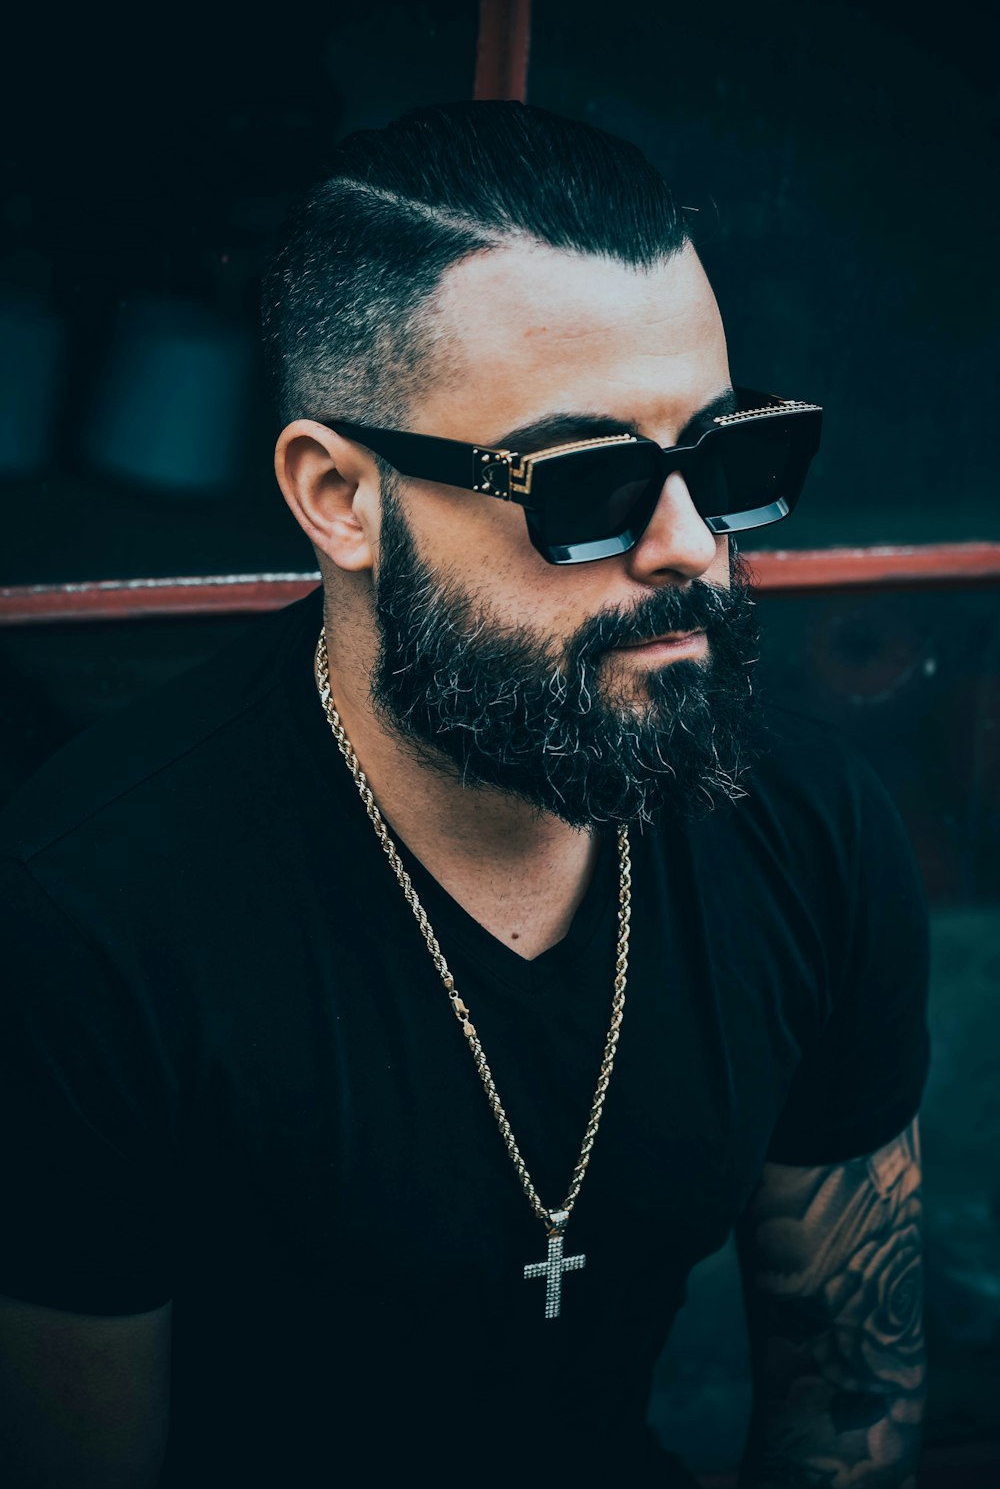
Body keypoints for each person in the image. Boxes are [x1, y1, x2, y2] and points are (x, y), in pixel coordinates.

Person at [0, 101, 930, 1488]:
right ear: (339, 496)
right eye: (590, 483)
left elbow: (847, 1399)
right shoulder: (88, 922)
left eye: (731, 461)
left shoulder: (805, 825)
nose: (692, 546)